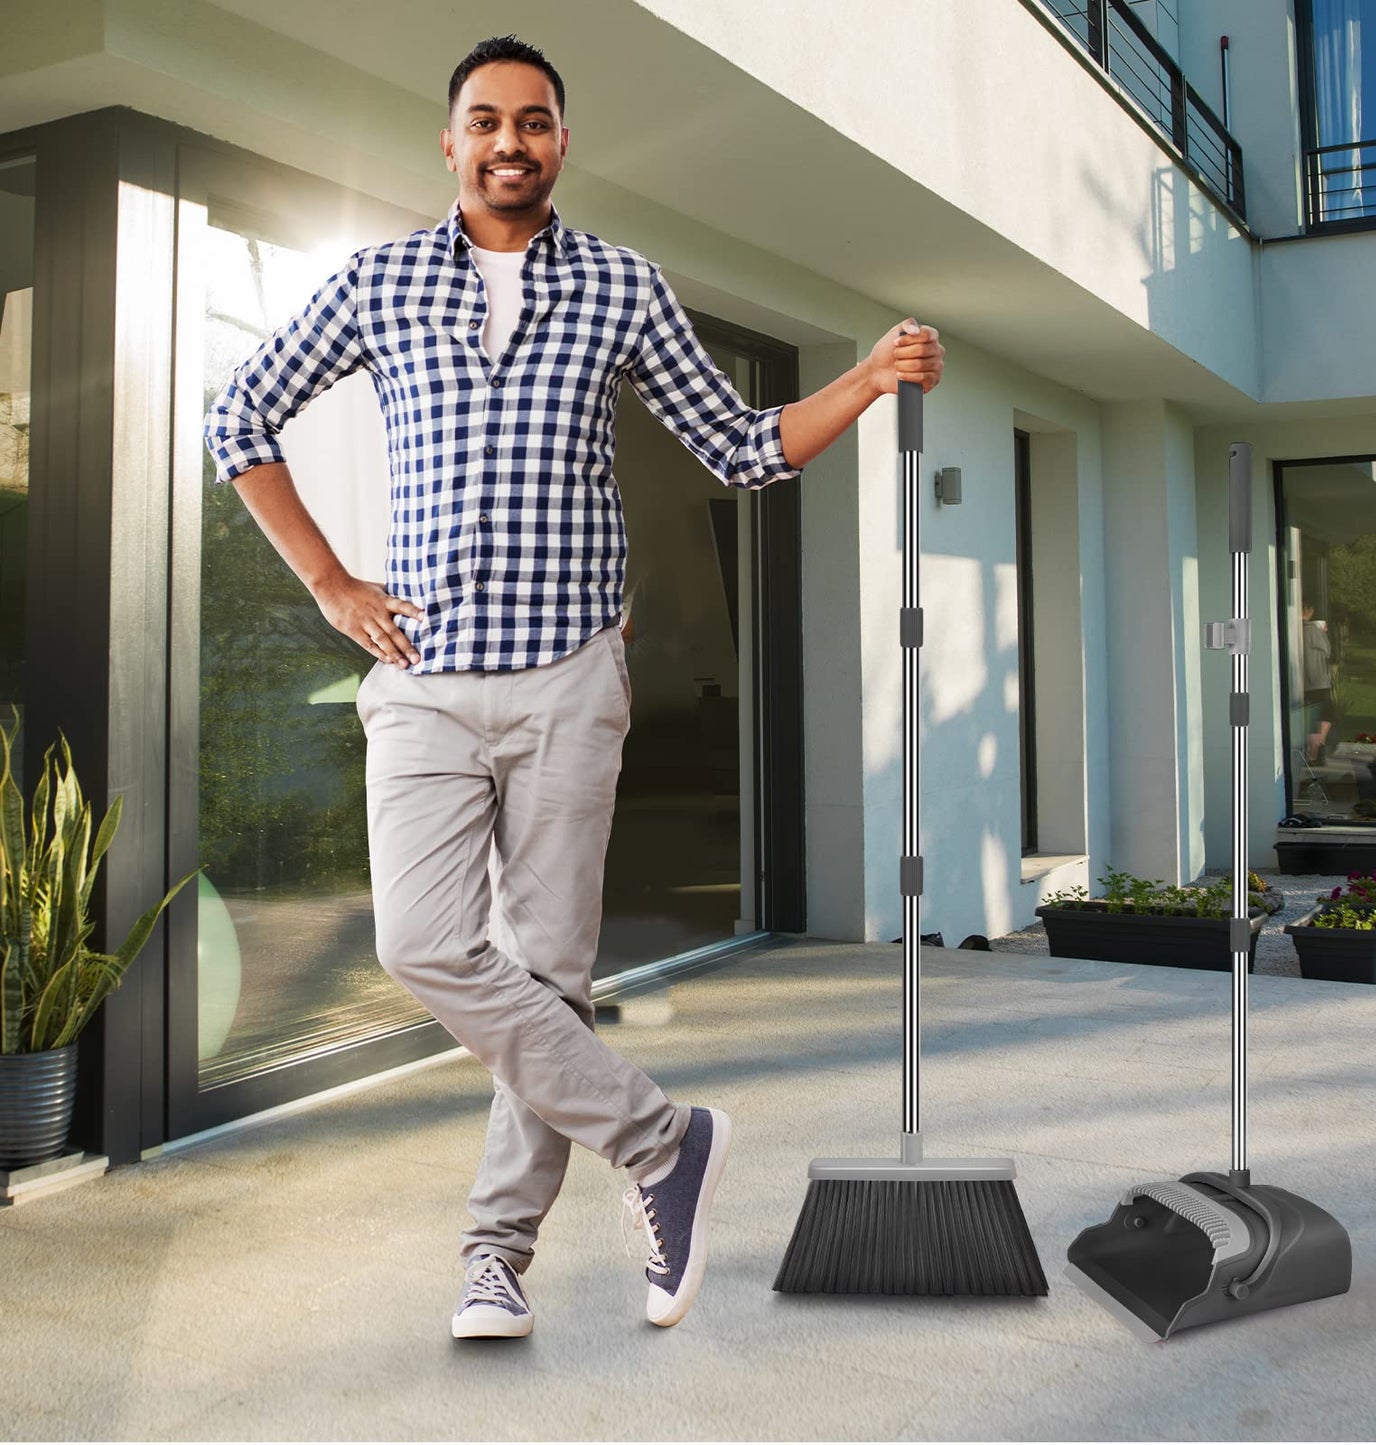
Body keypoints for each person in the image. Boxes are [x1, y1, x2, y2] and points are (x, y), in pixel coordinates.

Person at [204, 33, 945, 1341]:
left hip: (567, 683)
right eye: (484, 120)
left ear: (561, 141)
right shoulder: (376, 283)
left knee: (544, 976)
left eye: (533, 121)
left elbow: (739, 447)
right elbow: (239, 419)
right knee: (422, 944)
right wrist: (329, 584)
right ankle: (661, 1140)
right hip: (424, 678)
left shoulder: (620, 286)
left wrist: (868, 379)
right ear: (449, 143)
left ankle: (497, 1259)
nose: (509, 141)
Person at [1301, 602, 1334, 761]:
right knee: (1321, 715)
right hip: (1316, 682)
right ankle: (1315, 752)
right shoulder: (1311, 631)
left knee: (1318, 716)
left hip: (1310, 682)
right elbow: (1327, 650)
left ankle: (1316, 750)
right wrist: (1321, 632)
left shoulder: (1304, 631)